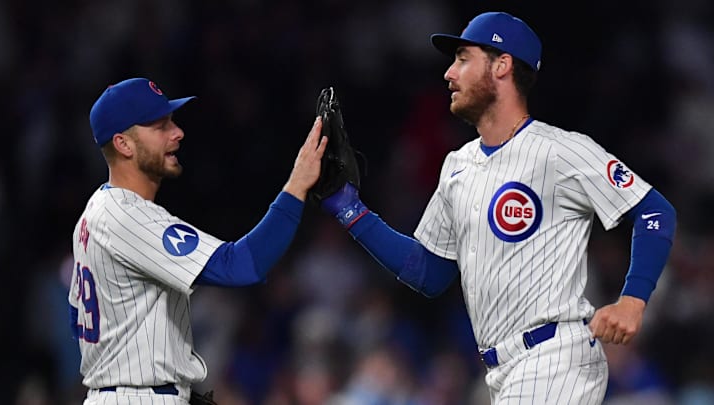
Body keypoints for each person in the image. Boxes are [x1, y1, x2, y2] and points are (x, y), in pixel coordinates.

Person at [319, 11, 676, 404]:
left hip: (555, 356)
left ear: (502, 65)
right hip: (501, 370)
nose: (449, 73)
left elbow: (655, 211)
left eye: (463, 58)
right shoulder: (458, 165)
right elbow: (430, 271)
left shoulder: (558, 150)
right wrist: (349, 209)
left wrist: (633, 299)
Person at [68, 77, 328, 404]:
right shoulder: (126, 215)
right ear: (124, 144)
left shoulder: (94, 214)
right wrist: (297, 185)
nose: (177, 132)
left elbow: (77, 317)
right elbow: (241, 266)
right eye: (160, 126)